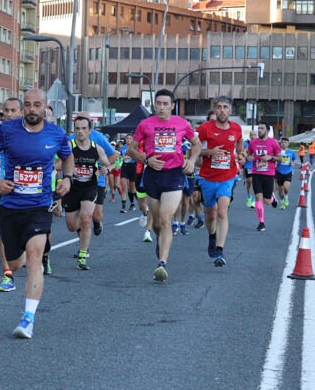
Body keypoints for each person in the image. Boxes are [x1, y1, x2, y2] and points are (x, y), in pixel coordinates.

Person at [0, 88, 72, 338]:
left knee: (34, 257)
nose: (33, 109)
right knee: (14, 262)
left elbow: (67, 155)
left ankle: (27, 319)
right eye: (28, 105)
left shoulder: (56, 133)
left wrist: (68, 179)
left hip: (39, 206)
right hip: (11, 206)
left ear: (45, 107)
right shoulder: (8, 131)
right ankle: (14, 265)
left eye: (37, 105)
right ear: (24, 108)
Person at [127, 89, 200, 282]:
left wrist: (191, 161)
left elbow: (197, 144)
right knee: (158, 223)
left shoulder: (182, 124)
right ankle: (161, 242)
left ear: (172, 105)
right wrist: (146, 159)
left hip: (174, 174)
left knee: (166, 218)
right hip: (152, 174)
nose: (161, 107)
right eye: (158, 103)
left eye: (165, 104)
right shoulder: (145, 124)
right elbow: (131, 149)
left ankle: (162, 263)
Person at [195, 97, 245, 267]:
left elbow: (239, 145)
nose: (222, 110)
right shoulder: (204, 128)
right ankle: (211, 235)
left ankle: (220, 251)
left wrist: (241, 155)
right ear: (214, 110)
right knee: (210, 214)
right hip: (208, 177)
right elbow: (193, 150)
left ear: (230, 110)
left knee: (222, 212)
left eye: (225, 107)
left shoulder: (236, 129)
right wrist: (209, 151)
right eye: (218, 107)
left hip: (228, 176)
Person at [61, 115, 111, 270]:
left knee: (86, 218)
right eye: (77, 128)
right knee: (72, 225)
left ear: (90, 130)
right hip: (72, 188)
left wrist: (105, 169)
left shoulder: (97, 148)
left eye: (84, 128)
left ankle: (82, 256)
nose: (80, 132)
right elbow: (57, 163)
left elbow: (109, 164)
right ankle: (82, 236)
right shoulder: (69, 146)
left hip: (90, 187)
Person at [0, 97, 23, 292]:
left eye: (13, 110)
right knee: (4, 231)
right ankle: (7, 275)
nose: (9, 114)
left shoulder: (31, 130)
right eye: (6, 111)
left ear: (21, 112)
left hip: (30, 190)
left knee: (26, 234)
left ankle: (38, 254)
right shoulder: (2, 133)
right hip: (5, 188)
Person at [246, 123, 282, 232]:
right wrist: (249, 158)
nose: (259, 130)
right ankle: (261, 222)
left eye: (262, 128)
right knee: (258, 197)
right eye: (258, 128)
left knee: (267, 201)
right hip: (256, 173)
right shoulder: (253, 143)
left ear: (267, 130)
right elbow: (248, 156)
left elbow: (280, 158)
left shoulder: (273, 143)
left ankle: (272, 198)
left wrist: (270, 157)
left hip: (268, 174)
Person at [276, 138, 298, 208]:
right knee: (280, 190)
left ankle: (286, 197)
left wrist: (293, 163)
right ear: (280, 143)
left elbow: (294, 159)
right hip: (279, 171)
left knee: (286, 187)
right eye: (282, 142)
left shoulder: (291, 152)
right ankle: (282, 203)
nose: (284, 144)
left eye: (285, 142)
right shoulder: (278, 151)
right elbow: (274, 159)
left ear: (288, 144)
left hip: (288, 171)